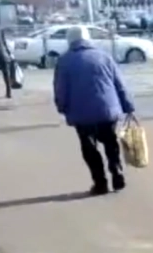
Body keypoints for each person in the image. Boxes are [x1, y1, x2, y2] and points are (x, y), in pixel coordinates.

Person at [53, 26, 136, 196]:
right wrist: (128, 105)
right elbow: (119, 83)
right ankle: (117, 172)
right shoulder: (104, 56)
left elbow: (61, 88)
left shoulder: (65, 61)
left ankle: (100, 183)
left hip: (81, 113)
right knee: (111, 143)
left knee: (89, 148)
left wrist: (62, 106)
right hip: (107, 109)